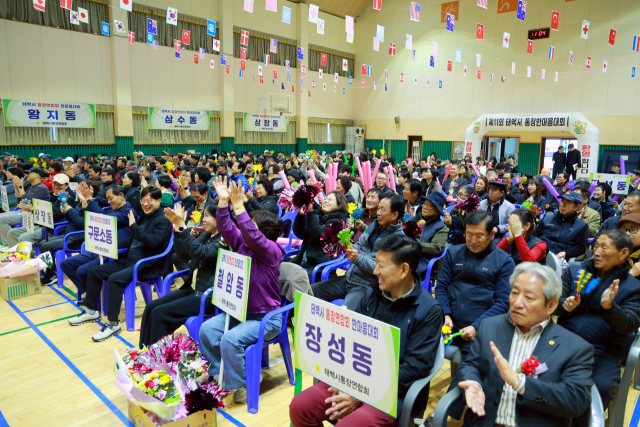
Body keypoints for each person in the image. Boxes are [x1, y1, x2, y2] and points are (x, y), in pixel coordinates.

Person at [290, 234, 444, 427]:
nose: (375, 270)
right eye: (375, 262)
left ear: (404, 269)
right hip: (355, 376)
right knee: (300, 407)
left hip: (394, 393)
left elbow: (413, 368)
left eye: (381, 265)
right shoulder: (372, 293)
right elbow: (351, 338)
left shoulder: (429, 311)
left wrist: (361, 394)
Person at [456, 262, 594, 427]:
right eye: (514, 293)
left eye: (529, 297)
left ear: (551, 305)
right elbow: (469, 364)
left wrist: (519, 383)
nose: (517, 303)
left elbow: (575, 401)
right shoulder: (489, 327)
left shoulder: (574, 347)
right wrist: (474, 382)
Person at [200, 177, 285, 403]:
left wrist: (239, 207)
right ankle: (220, 373)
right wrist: (222, 202)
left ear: (263, 232)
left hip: (266, 319)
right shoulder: (242, 244)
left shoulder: (271, 250)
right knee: (207, 330)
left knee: (230, 339)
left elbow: (252, 236)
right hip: (240, 313)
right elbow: (226, 227)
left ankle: (241, 384)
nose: (245, 228)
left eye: (252, 225)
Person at [68, 186, 173, 342]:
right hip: (130, 261)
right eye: (143, 200)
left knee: (114, 279)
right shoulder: (145, 217)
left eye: (150, 200)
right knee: (94, 271)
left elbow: (153, 241)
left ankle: (113, 323)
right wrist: (109, 249)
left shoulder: (163, 220)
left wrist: (134, 227)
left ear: (158, 201)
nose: (145, 204)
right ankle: (91, 311)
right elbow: (131, 240)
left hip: (147, 265)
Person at [557, 230, 640, 426]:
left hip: (602, 350)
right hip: (562, 342)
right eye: (596, 247)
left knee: (599, 388)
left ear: (623, 253)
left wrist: (609, 308)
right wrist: (563, 305)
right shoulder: (576, 271)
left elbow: (629, 324)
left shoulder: (633, 287)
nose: (597, 252)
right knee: (536, 373)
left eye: (604, 247)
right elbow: (553, 302)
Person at [139, 203, 226, 347]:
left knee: (159, 313)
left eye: (207, 216)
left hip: (208, 297)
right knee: (150, 307)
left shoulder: (224, 241)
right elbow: (183, 254)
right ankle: (145, 352)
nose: (203, 220)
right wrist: (179, 230)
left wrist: (183, 227)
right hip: (193, 290)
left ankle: (158, 356)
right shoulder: (206, 234)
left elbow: (199, 252)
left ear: (220, 218)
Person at [435, 210, 515, 360]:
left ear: (491, 235)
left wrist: (477, 326)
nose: (473, 240)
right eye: (469, 235)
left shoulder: (504, 261)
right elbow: (442, 287)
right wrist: (445, 314)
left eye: (479, 236)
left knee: (470, 366)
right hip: (448, 322)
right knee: (418, 351)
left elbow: (503, 302)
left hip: (480, 326)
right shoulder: (453, 253)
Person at [311, 194, 405, 310]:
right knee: (310, 292)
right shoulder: (374, 225)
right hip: (348, 278)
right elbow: (360, 244)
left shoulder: (398, 239)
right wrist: (348, 246)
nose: (378, 213)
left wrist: (357, 258)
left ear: (395, 215)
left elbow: (380, 268)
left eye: (383, 209)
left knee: (347, 313)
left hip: (366, 286)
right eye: (379, 208)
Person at [60, 184, 133, 299]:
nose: (108, 202)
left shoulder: (129, 212)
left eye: (110, 198)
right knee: (66, 264)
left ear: (121, 195)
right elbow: (89, 221)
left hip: (114, 254)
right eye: (107, 199)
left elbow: (104, 220)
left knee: (82, 271)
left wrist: (90, 200)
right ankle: (91, 294)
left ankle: (92, 297)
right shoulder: (112, 210)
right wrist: (85, 205)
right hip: (99, 249)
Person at [38, 180, 102, 285]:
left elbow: (81, 224)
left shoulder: (95, 206)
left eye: (82, 189)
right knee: (42, 243)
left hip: (78, 238)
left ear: (90, 190)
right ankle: (50, 270)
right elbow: (72, 220)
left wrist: (70, 210)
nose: (79, 191)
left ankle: (53, 273)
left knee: (46, 246)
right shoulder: (81, 202)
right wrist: (66, 212)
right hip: (70, 234)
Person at [291, 191, 350, 280]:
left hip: (318, 267)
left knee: (292, 280)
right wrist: (301, 216)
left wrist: (310, 213)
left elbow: (320, 236)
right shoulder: (317, 215)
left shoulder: (340, 223)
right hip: (301, 260)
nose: (325, 201)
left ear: (339, 205)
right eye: (325, 198)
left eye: (330, 199)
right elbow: (301, 233)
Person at [0, 167, 50, 245]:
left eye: (30, 173)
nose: (28, 175)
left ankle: (7, 243)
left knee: (1, 219)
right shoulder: (31, 187)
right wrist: (17, 187)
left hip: (34, 216)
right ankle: (8, 243)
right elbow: (19, 198)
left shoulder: (41, 188)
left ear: (37, 175)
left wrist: (20, 186)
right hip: (25, 212)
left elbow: (27, 201)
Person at [536, 191, 589, 261]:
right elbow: (534, 236)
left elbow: (580, 248)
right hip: (538, 252)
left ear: (577, 207)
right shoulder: (547, 219)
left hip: (558, 257)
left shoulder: (581, 226)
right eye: (562, 201)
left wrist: (566, 253)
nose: (562, 205)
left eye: (567, 202)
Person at [410, 192, 449, 279]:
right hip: (408, 256)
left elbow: (435, 248)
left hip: (423, 263)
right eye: (424, 204)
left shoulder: (441, 228)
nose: (424, 207)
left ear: (438, 210)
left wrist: (414, 244)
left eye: (429, 205)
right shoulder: (416, 220)